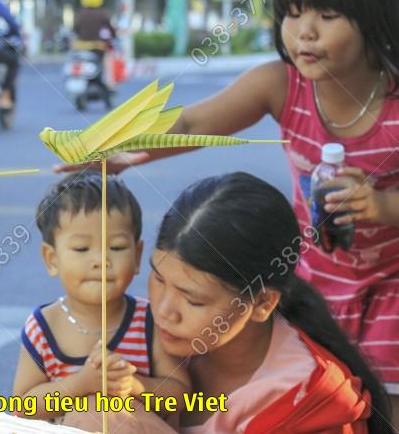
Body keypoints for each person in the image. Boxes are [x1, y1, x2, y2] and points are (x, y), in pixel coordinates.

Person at [60, 0, 399, 416]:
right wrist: (122, 149)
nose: (304, 31)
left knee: (386, 404)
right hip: (316, 276)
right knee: (327, 394)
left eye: (327, 15)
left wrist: (381, 204)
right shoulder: (281, 84)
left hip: (391, 283)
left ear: (378, 20)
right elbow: (195, 121)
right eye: (293, 13)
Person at [65, 173, 392, 432]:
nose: (164, 311)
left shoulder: (310, 403)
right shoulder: (133, 334)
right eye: (159, 279)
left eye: (192, 300)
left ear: (262, 303)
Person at [13, 173, 190, 425]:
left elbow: (181, 396)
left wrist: (136, 386)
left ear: (138, 255)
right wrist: (82, 384)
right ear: (51, 259)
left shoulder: (148, 320)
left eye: (116, 247)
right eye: (82, 249)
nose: (101, 261)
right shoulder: (43, 326)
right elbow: (24, 406)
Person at [74, 0, 118, 90]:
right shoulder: (103, 13)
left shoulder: (80, 13)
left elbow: (75, 29)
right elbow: (110, 29)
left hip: (81, 46)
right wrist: (114, 36)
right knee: (107, 60)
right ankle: (110, 83)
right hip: (99, 47)